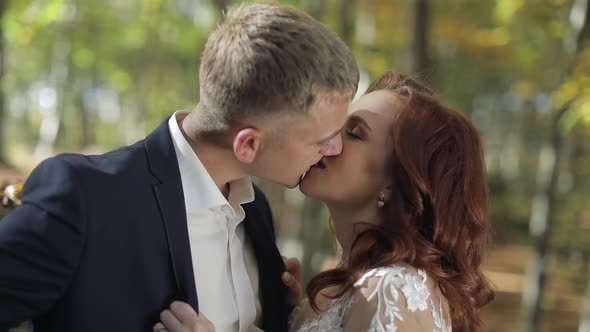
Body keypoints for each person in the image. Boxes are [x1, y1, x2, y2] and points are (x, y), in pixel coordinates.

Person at [0, 2, 358, 332]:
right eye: (321, 139)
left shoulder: (256, 211)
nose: (335, 148)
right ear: (248, 144)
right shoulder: (85, 197)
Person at [156, 71, 495, 332]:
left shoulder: (392, 291)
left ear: (396, 183)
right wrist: (284, 312)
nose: (327, 140)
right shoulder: (349, 289)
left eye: (354, 133)